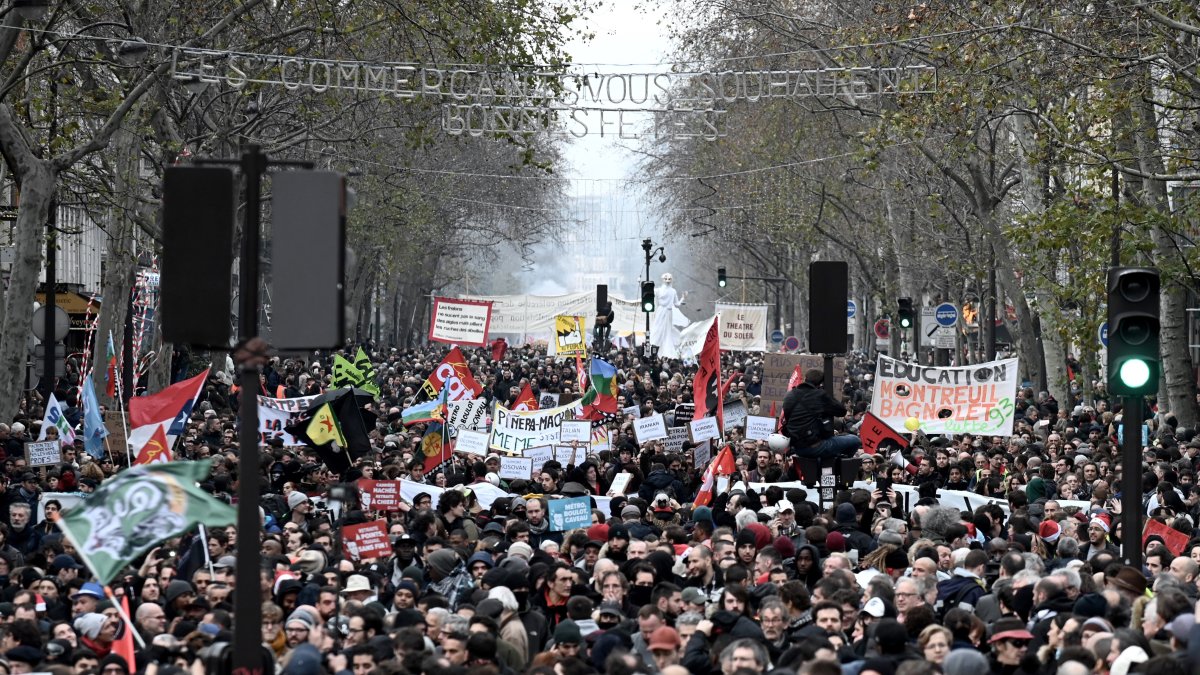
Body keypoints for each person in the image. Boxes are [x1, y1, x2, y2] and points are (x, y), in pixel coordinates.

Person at [781, 369, 860, 459]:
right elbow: (842, 411)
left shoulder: (790, 395)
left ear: (805, 379)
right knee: (855, 440)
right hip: (816, 447)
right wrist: (827, 396)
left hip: (797, 447)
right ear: (820, 383)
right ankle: (841, 463)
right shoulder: (819, 395)